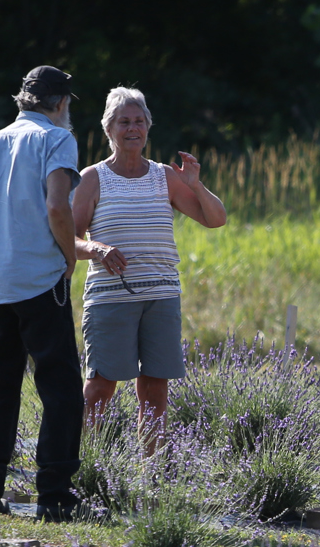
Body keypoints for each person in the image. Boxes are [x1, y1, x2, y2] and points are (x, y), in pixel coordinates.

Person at [0, 65, 88, 519]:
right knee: (61, 386)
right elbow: (57, 206)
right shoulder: (56, 140)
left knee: (0, 387)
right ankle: (55, 495)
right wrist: (68, 258)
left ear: (23, 99)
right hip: (39, 279)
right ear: (61, 103)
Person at [70, 86, 227, 446]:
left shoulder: (164, 176)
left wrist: (195, 185)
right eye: (124, 122)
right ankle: (83, 469)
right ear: (109, 128)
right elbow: (69, 240)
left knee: (155, 390)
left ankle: (151, 475)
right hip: (109, 299)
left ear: (148, 127)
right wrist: (96, 249)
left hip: (161, 296)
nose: (132, 129)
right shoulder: (92, 177)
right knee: (99, 388)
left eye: (139, 121)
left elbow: (216, 219)